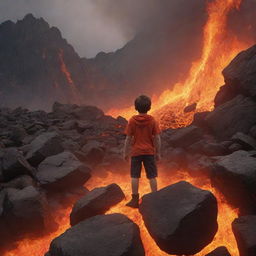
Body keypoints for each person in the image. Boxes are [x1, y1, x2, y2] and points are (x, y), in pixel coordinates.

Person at [123, 95, 161, 208]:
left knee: (135, 176)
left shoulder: (132, 121)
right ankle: (155, 198)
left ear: (135, 107)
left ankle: (135, 200)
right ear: (149, 107)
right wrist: (158, 152)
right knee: (152, 176)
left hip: (136, 152)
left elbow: (128, 139)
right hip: (149, 152)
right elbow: (157, 138)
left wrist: (125, 152)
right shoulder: (153, 120)